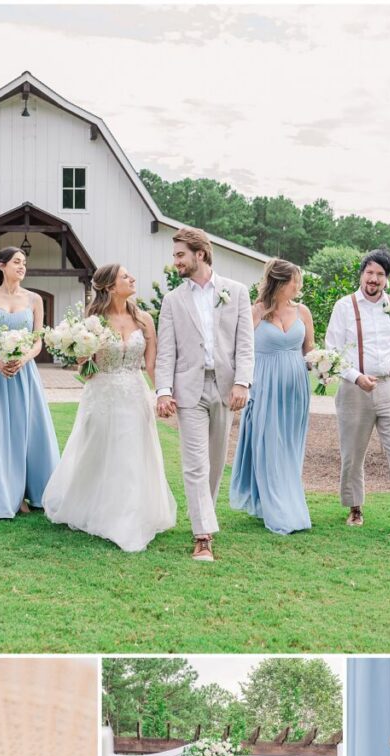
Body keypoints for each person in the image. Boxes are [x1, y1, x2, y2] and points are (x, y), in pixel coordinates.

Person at [43, 264, 176, 551]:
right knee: (99, 452)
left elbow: (151, 365)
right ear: (111, 287)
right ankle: (97, 508)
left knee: (133, 454)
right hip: (102, 394)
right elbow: (86, 371)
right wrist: (81, 353)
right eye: (125, 276)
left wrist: (163, 394)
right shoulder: (94, 321)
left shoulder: (144, 319)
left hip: (135, 393)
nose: (132, 278)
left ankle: (130, 514)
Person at [155, 227, 254, 562]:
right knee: (195, 463)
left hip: (225, 387)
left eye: (180, 255)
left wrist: (243, 382)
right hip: (189, 390)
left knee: (215, 463)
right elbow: (166, 350)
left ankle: (203, 517)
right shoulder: (172, 300)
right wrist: (164, 391)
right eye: (175, 256)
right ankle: (202, 536)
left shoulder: (236, 292)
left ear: (200, 254)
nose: (176, 262)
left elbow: (245, 344)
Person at [325, 248, 390, 536]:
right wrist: (356, 377)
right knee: (353, 453)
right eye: (369, 273)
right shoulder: (344, 306)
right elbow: (333, 351)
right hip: (354, 389)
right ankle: (355, 507)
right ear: (361, 274)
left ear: (387, 278)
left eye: (380, 274)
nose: (374, 279)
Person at [0, 246, 59, 519]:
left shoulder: (34, 299)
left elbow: (38, 341)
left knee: (26, 430)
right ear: (1, 265)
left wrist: (24, 359)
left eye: (24, 263)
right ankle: (0, 495)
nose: (22, 267)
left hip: (24, 372)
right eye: (17, 262)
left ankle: (25, 494)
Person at [230, 258, 314, 533]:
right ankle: (276, 509)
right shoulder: (255, 312)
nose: (298, 286)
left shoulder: (303, 312)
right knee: (268, 445)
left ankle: (287, 501)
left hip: (296, 391)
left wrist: (324, 364)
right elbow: (240, 350)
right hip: (263, 387)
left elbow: (309, 350)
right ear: (279, 283)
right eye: (294, 281)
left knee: (289, 446)